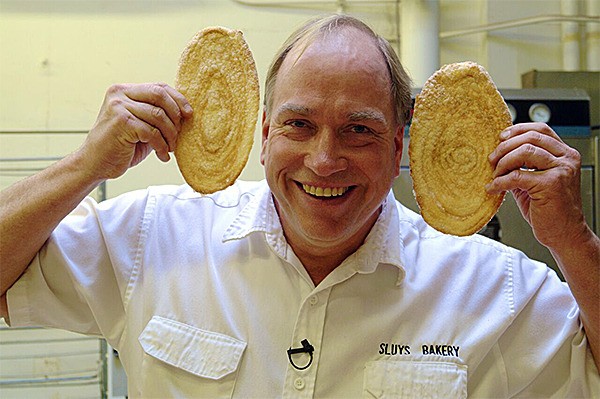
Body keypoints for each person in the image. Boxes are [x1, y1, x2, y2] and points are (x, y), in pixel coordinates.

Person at [0, 14, 598, 398]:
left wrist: (574, 239)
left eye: (358, 131)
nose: (324, 159)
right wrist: (83, 167)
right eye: (299, 124)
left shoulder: (493, 288)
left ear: (399, 148)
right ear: (263, 134)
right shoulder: (150, 237)